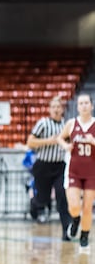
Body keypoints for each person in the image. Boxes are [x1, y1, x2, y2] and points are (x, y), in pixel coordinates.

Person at [26, 96, 72, 238]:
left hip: (59, 166)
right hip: (43, 166)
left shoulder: (66, 125)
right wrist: (49, 141)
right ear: (49, 109)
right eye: (53, 107)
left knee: (62, 196)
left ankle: (67, 231)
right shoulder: (43, 123)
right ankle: (34, 204)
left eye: (58, 107)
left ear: (62, 109)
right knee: (43, 199)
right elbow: (30, 142)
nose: (56, 109)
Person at [57, 93, 95, 252]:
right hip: (73, 170)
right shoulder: (72, 123)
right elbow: (60, 138)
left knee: (87, 207)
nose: (84, 105)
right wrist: (65, 146)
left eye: (87, 102)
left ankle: (84, 237)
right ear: (78, 107)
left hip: (91, 172)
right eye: (81, 103)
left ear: (91, 106)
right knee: (73, 206)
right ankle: (75, 219)